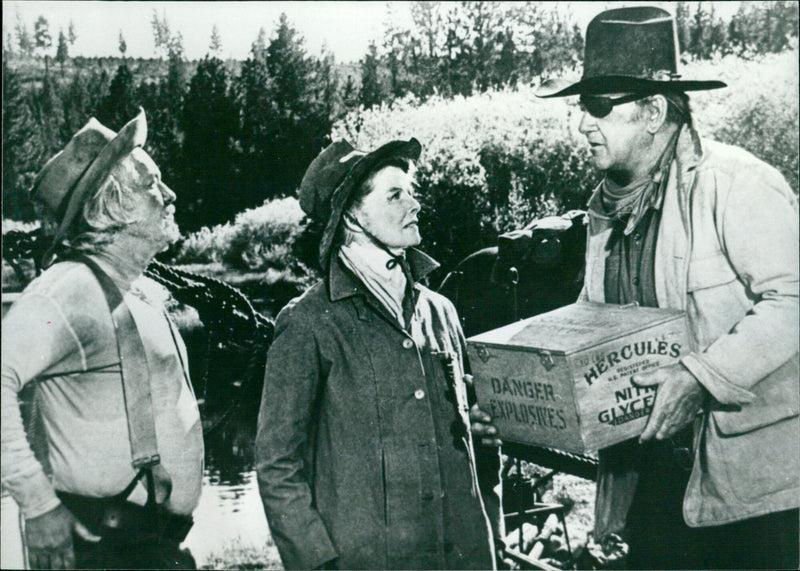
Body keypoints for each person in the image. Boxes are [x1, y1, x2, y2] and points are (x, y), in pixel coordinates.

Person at [533, 6, 800, 570]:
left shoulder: (736, 184)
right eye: (582, 109)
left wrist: (700, 378)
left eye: (598, 107)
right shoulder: (606, 208)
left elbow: (794, 300)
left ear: (653, 111)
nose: (582, 126)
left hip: (760, 497)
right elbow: (594, 326)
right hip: (659, 489)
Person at [255, 139, 501, 570]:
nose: (415, 204)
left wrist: (490, 536)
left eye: (411, 192)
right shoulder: (309, 322)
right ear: (352, 216)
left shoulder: (440, 312)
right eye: (395, 195)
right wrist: (317, 562)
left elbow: (479, 446)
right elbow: (277, 465)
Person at [1, 109, 204, 569]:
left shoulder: (138, 288)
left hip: (152, 548)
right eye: (152, 184)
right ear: (111, 205)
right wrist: (37, 503)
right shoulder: (68, 290)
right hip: (105, 549)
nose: (169, 194)